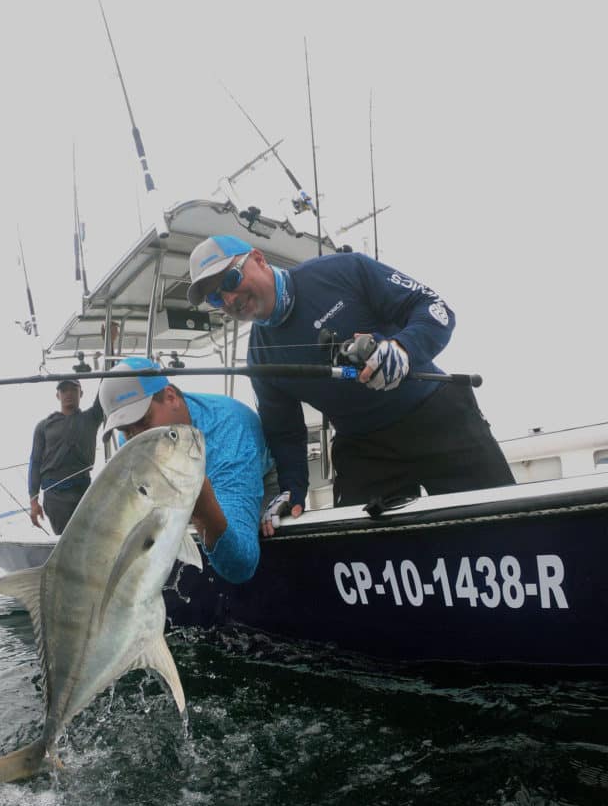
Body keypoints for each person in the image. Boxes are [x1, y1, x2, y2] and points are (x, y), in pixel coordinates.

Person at [187, 235, 514, 535]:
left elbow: (435, 309)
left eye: (230, 279)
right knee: (356, 541)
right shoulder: (259, 357)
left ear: (258, 259)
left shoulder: (343, 269)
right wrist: (291, 490)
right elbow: (284, 434)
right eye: (216, 297)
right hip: (364, 447)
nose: (229, 298)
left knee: (504, 523)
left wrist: (402, 348)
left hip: (438, 419)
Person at [99, 357, 275, 584]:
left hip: (253, 478)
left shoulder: (231, 431)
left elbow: (241, 565)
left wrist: (202, 510)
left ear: (171, 397)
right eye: (126, 430)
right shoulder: (133, 442)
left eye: (143, 421)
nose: (140, 439)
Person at [28, 379, 104, 535]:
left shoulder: (91, 418)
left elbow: (104, 393)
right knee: (65, 538)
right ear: (58, 395)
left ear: (81, 393)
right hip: (55, 497)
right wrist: (34, 500)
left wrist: (109, 370)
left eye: (73, 390)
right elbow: (35, 462)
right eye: (64, 390)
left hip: (83, 492)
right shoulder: (43, 426)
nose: (68, 394)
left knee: (87, 537)